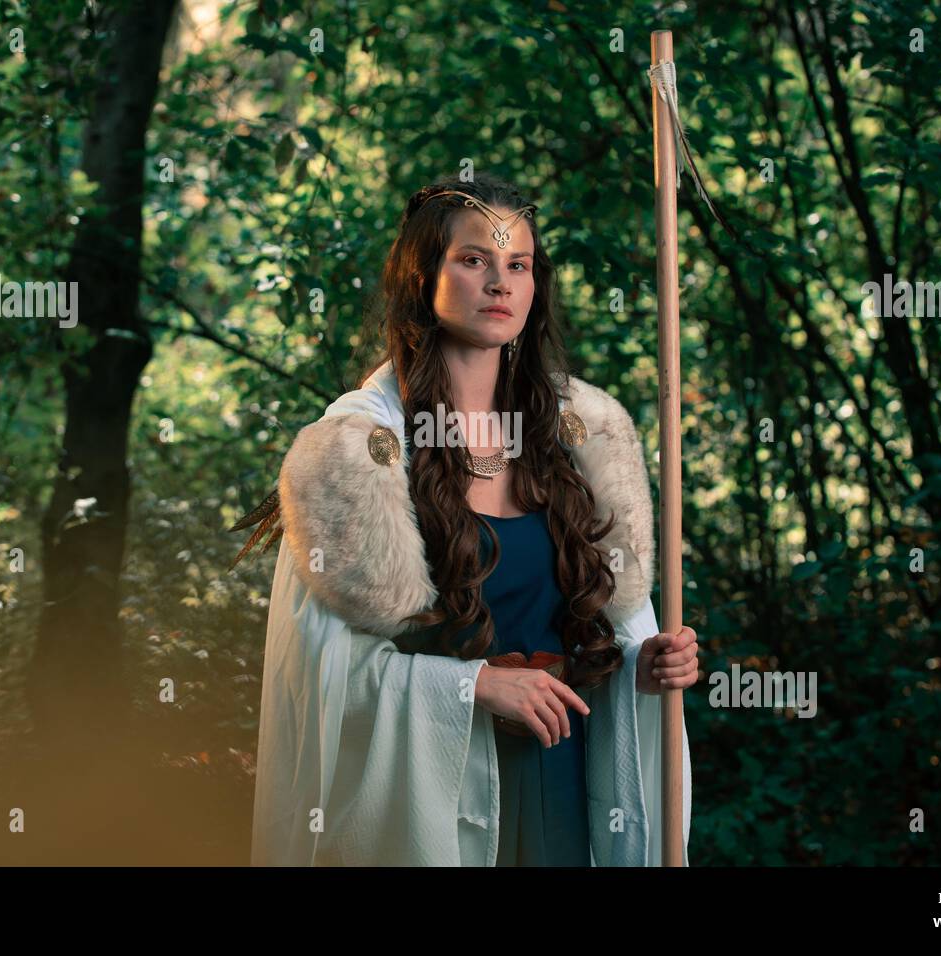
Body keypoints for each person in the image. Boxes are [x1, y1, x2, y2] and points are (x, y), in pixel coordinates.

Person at [249, 173, 701, 867]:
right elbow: (320, 680)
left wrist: (645, 666)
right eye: (473, 260)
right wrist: (474, 687)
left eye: (517, 264)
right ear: (421, 275)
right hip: (434, 805)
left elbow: (597, 638)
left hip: (567, 784)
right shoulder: (354, 456)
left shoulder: (581, 441)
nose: (500, 283)